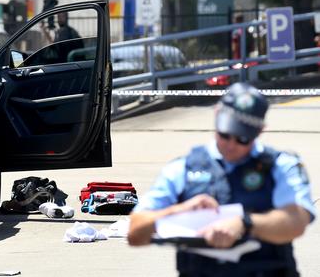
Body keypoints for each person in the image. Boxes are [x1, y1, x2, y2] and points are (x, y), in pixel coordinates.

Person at [127, 82, 315, 276]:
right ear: (216, 115)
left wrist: (245, 224)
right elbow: (135, 232)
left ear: (260, 131)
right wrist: (179, 210)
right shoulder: (182, 168)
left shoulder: (281, 165)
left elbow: (297, 221)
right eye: (225, 133)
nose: (231, 144)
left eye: (243, 138)